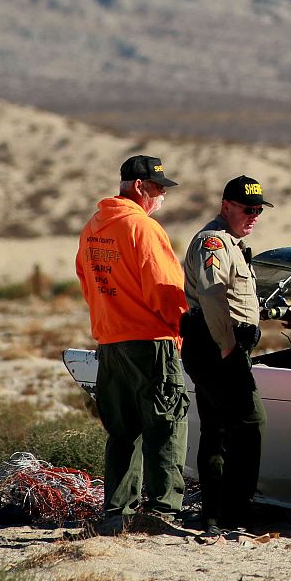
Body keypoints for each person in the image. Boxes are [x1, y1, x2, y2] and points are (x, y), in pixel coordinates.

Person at [74, 154, 189, 536]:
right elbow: (165, 289)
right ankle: (163, 511)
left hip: (110, 340)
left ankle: (116, 513)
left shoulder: (93, 227)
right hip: (151, 340)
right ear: (139, 187)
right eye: (157, 188)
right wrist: (181, 328)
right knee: (166, 425)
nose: (161, 196)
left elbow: (86, 280)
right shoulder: (143, 227)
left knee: (123, 430)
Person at [180, 175, 272, 535]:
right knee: (250, 423)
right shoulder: (214, 242)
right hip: (215, 345)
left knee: (217, 430)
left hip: (217, 344)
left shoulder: (231, 242)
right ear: (226, 207)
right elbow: (213, 295)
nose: (254, 216)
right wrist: (229, 346)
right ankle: (235, 512)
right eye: (247, 210)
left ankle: (216, 515)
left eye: (258, 211)